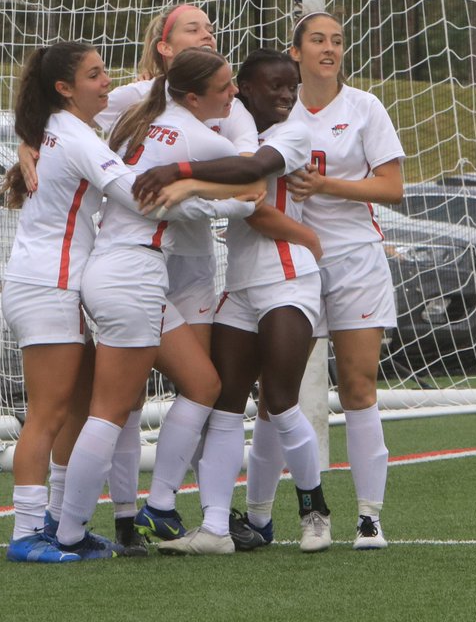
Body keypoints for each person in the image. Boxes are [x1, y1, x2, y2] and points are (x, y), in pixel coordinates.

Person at [16, 5, 260, 554]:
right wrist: (218, 196)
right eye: (225, 88)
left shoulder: (135, 114)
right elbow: (249, 174)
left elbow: (169, 197)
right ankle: (73, 529)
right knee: (108, 411)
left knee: (203, 384)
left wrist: (192, 191)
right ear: (191, 94)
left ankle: (157, 507)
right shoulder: (180, 127)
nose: (233, 96)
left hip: (132, 272)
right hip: (128, 273)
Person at [135, 49, 333, 554]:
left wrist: (184, 176)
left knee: (281, 400)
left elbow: (253, 188)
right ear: (243, 89)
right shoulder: (228, 124)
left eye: (292, 85)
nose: (287, 94)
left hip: (289, 280)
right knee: (223, 404)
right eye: (275, 86)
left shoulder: (292, 133)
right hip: (240, 288)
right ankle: (217, 528)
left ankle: (315, 512)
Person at [249, 10, 405, 550]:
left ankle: (369, 517)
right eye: (317, 39)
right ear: (295, 52)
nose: (329, 48)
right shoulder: (270, 114)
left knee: (359, 387)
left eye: (337, 40)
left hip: (356, 260)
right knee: (276, 395)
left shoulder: (364, 108)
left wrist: (328, 185)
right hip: (289, 267)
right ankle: (260, 516)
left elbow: (391, 188)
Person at [0, 41, 131, 562]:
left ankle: (57, 522)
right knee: (47, 414)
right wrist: (211, 186)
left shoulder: (56, 128)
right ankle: (26, 534)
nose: (106, 82)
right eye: (95, 75)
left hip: (56, 287)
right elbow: (135, 191)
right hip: (46, 287)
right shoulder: (75, 137)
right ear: (64, 88)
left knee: (76, 407)